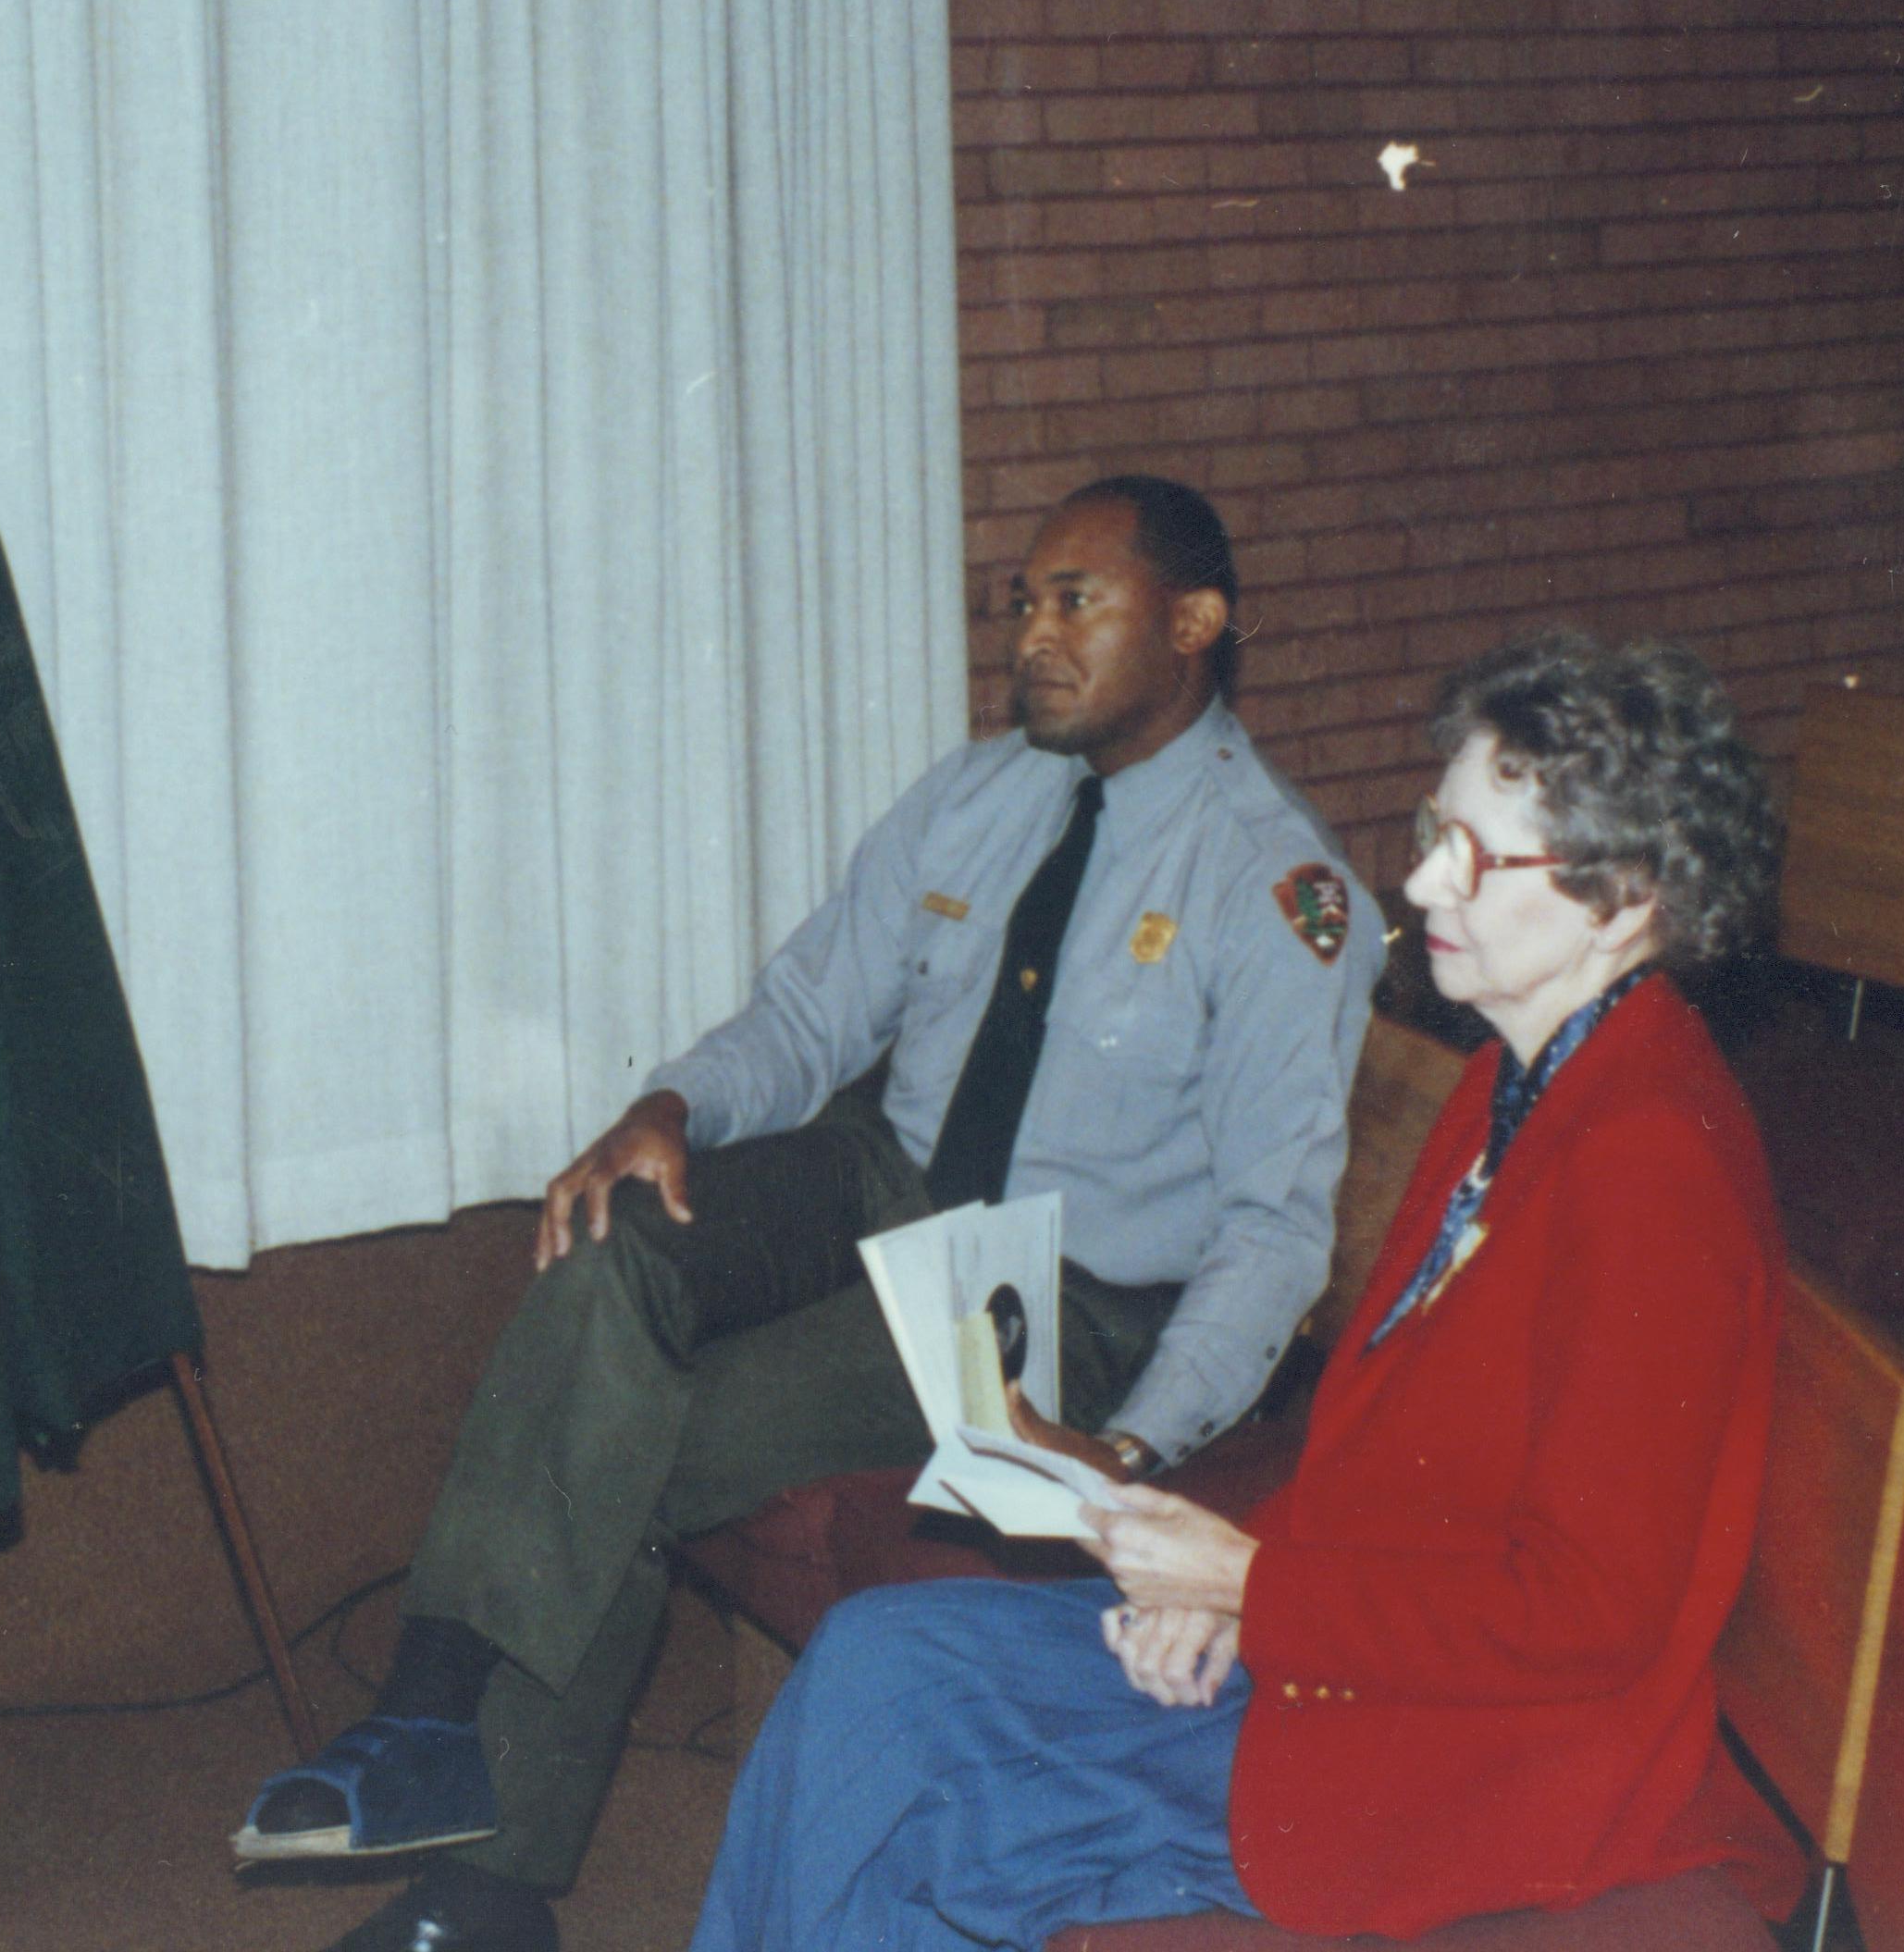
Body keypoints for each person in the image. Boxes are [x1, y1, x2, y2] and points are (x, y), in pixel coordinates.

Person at [241, 477, 1383, 1952]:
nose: (1029, 634)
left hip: (1061, 1296)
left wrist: (1131, 1448)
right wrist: (674, 1106)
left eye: (1071, 601)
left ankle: (483, 1890)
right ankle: (426, 1708)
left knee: (646, 1437)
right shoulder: (978, 795)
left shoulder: (1271, 882)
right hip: (888, 1183)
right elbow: (808, 1007)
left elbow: (1275, 1226)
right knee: (618, 1236)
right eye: (1019, 604)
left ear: (1195, 623)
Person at [691, 631, 1792, 1948]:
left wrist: (1252, 1587)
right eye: (1431, 826)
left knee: (921, 1782)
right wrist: (1226, 1596)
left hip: (1469, 1758)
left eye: (1474, 855)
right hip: (1351, 1653)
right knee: (879, 1660)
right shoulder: (1521, 1074)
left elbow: (1588, 1614)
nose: (1418, 877)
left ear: (1625, 901)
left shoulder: (1647, 1168)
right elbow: (1391, 1446)